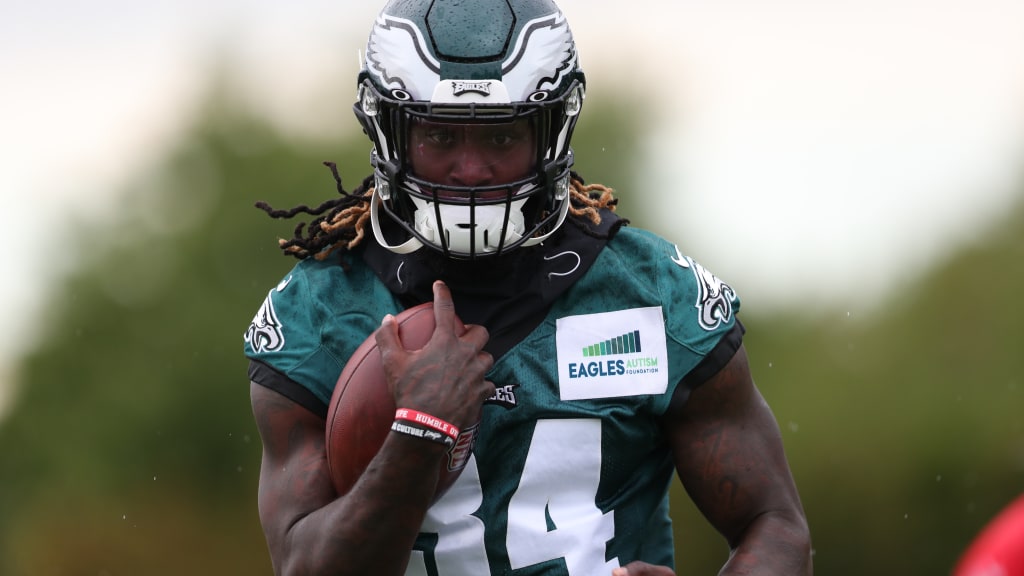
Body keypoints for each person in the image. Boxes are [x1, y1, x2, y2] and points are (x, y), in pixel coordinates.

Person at [242, 0, 813, 574]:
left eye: (501, 137)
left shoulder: (649, 294)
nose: (470, 170)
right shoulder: (319, 314)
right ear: (389, 130)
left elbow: (776, 526)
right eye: (440, 135)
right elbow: (304, 566)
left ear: (551, 131)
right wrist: (421, 430)